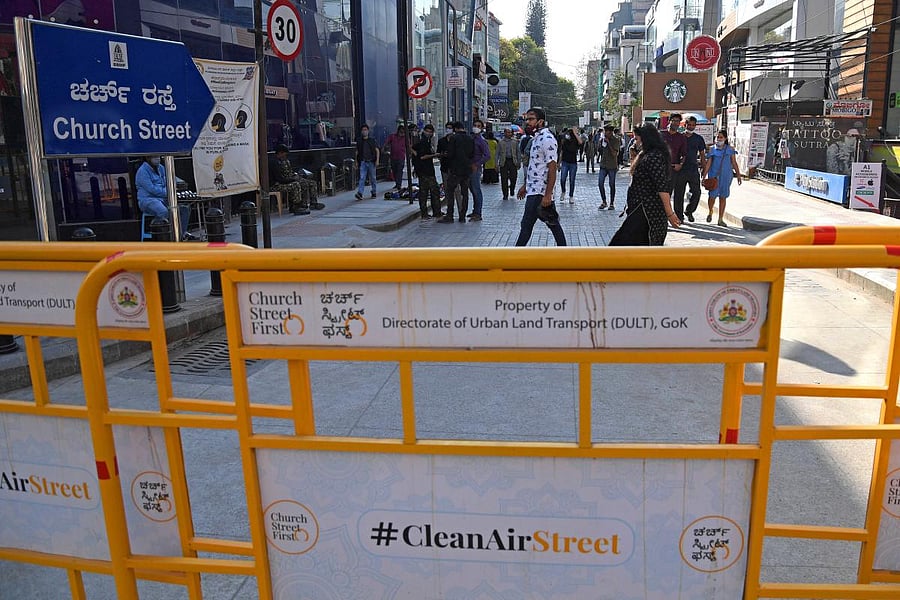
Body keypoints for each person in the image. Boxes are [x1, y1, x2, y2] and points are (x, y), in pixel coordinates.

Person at [609, 124, 680, 246]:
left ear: (646, 138)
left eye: (637, 139)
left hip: (647, 212)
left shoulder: (654, 156)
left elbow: (662, 187)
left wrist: (670, 214)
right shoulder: (645, 154)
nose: (635, 142)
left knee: (625, 248)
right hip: (639, 209)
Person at [515, 108, 567, 246]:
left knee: (526, 226)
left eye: (531, 119)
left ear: (540, 121)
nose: (527, 122)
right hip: (534, 189)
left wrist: (548, 195)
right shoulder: (536, 138)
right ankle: (566, 254)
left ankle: (513, 260)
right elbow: (536, 166)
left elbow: (552, 168)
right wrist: (526, 186)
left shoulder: (547, 139)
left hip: (540, 191)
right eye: (526, 119)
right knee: (552, 224)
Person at [136, 156, 196, 240]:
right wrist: (169, 191)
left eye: (159, 157)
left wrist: (180, 183)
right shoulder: (142, 171)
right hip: (148, 200)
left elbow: (171, 178)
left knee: (184, 208)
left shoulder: (161, 168)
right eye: (155, 157)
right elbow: (151, 189)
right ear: (147, 158)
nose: (158, 159)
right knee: (163, 211)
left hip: (164, 198)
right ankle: (166, 235)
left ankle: (181, 234)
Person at [702, 129, 742, 227]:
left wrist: (738, 175)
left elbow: (734, 163)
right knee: (712, 196)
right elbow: (708, 164)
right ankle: (710, 211)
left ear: (725, 138)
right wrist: (704, 176)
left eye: (721, 137)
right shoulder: (712, 149)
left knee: (723, 197)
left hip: (726, 176)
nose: (719, 139)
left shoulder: (730, 149)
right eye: (717, 137)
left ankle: (720, 218)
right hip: (714, 176)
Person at [437, 122, 473, 223]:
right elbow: (471, 153)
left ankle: (450, 215)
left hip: (455, 170)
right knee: (464, 193)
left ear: (455, 129)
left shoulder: (454, 138)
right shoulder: (470, 138)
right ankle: (462, 216)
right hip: (466, 170)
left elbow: (451, 153)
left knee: (450, 191)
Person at [678, 116, 708, 222]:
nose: (691, 127)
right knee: (679, 194)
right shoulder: (680, 137)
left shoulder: (698, 139)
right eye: (689, 124)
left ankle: (689, 211)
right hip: (680, 170)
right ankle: (679, 216)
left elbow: (702, 155)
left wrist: (704, 169)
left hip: (693, 169)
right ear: (685, 125)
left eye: (693, 125)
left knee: (696, 192)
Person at [269, 144, 310, 215]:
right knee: (295, 185)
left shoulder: (280, 162)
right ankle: (296, 207)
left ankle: (299, 204)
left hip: (280, 182)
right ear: (280, 153)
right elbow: (280, 179)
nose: (285, 157)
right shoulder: (274, 163)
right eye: (284, 155)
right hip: (274, 185)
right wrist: (293, 179)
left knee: (301, 183)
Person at [411, 124, 441, 220]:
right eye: (427, 131)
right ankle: (435, 212)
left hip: (423, 170)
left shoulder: (425, 141)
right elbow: (422, 156)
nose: (429, 133)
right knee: (433, 190)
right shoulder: (423, 142)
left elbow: (413, 149)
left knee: (424, 192)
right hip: (425, 171)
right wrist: (435, 155)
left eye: (430, 131)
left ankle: (426, 213)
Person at [661, 113, 687, 220]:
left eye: (677, 121)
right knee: (664, 194)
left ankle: (678, 217)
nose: (675, 123)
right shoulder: (661, 135)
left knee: (678, 194)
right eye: (674, 120)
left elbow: (684, 154)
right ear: (669, 121)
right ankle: (663, 216)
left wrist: (680, 164)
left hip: (675, 170)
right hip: (661, 169)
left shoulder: (681, 138)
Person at [468, 119, 490, 221]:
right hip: (468, 167)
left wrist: (477, 164)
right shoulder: (471, 138)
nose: (476, 127)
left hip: (475, 168)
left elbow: (487, 156)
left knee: (476, 190)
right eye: (475, 125)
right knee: (472, 189)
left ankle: (478, 213)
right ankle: (475, 210)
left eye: (478, 126)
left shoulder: (482, 141)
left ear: (482, 128)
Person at [596, 124, 620, 211]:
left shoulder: (616, 140)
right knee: (600, 183)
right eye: (605, 131)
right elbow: (598, 151)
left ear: (611, 132)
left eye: (607, 132)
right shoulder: (603, 140)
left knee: (612, 184)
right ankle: (604, 201)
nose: (606, 133)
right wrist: (600, 143)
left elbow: (614, 154)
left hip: (612, 166)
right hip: (603, 165)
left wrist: (608, 143)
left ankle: (612, 203)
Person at [557, 125, 582, 203]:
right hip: (565, 162)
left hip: (573, 163)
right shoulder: (565, 139)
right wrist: (559, 163)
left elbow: (580, 142)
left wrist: (575, 134)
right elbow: (561, 152)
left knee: (572, 180)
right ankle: (563, 191)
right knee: (562, 179)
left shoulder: (576, 140)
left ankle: (571, 196)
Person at [355, 124, 380, 200]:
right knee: (362, 177)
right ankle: (360, 192)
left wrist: (377, 160)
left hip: (371, 161)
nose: (364, 131)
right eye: (363, 130)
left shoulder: (372, 140)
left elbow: (377, 150)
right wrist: (356, 161)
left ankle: (374, 191)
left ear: (368, 131)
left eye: (365, 130)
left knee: (373, 178)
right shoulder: (359, 141)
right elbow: (357, 152)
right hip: (363, 161)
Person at [496, 127, 521, 200]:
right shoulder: (500, 142)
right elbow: (497, 153)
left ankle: (512, 188)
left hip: (513, 161)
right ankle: (505, 194)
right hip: (504, 161)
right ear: (504, 133)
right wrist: (496, 163)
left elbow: (518, 152)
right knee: (504, 178)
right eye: (507, 132)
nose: (509, 134)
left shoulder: (515, 142)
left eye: (510, 132)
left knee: (514, 177)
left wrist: (519, 162)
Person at [383, 125, 407, 190]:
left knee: (399, 170)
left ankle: (399, 184)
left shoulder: (405, 138)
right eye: (401, 131)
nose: (402, 133)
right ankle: (397, 183)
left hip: (401, 157)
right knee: (394, 170)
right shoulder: (392, 136)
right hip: (393, 156)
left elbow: (408, 146)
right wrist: (385, 147)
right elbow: (387, 142)